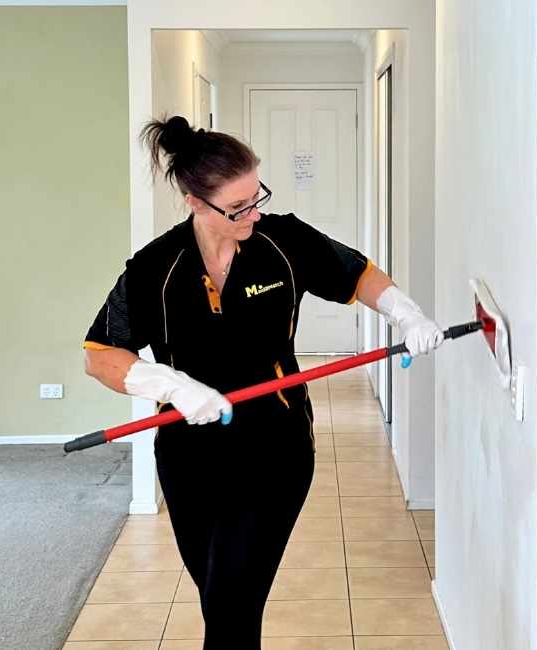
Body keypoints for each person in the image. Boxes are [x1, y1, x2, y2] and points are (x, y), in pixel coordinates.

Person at [82, 115, 443, 648]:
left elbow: (358, 274)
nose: (253, 212)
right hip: (187, 456)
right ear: (195, 203)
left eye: (257, 197)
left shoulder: (284, 241)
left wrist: (405, 313)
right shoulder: (153, 269)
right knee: (220, 598)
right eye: (238, 207)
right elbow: (100, 356)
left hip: (275, 446)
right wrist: (171, 385)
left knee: (230, 603)